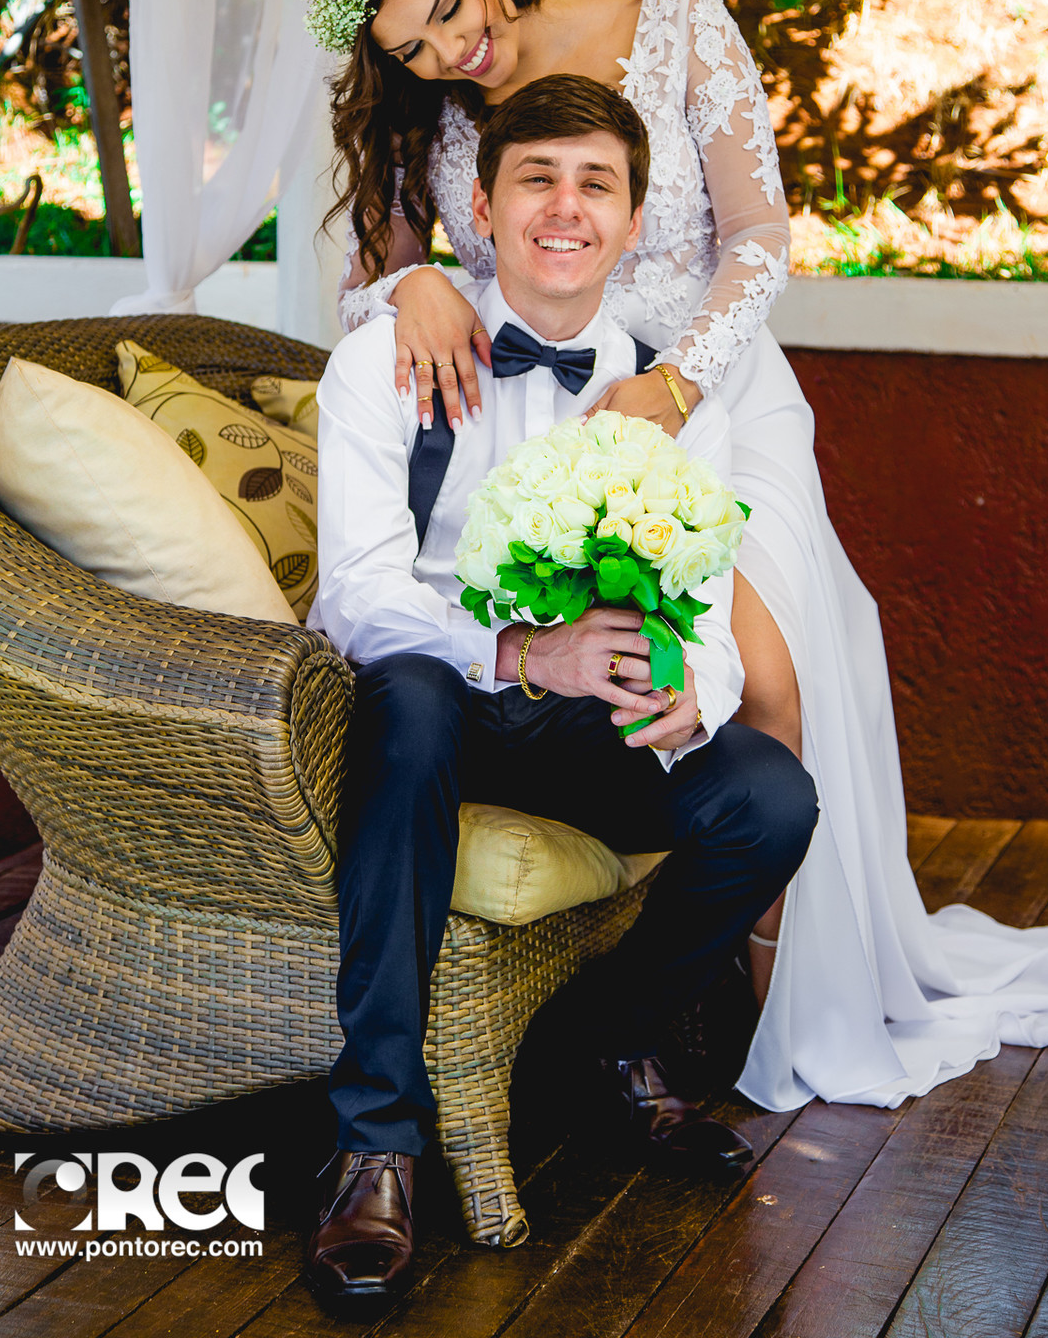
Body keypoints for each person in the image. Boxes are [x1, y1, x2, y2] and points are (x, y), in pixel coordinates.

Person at [308, 0, 1048, 1119]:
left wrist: (676, 384)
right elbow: (390, 283)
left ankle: (736, 1008)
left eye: (450, 12)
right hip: (544, 427)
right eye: (411, 50)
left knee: (764, 681)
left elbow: (760, 237)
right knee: (590, 671)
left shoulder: (676, 19)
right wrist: (408, 279)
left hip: (706, 394)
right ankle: (629, 1015)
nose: (444, 58)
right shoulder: (440, 124)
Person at [304, 75, 819, 1306]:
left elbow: (705, 595)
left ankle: (617, 1043)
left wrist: (694, 688)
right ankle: (376, 1142)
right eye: (536, 178)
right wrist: (525, 655)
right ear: (481, 208)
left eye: (597, 185)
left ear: (635, 222)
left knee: (770, 796)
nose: (565, 209)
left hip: (588, 737)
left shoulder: (666, 396)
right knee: (415, 696)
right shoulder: (386, 357)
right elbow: (356, 595)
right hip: (432, 719)